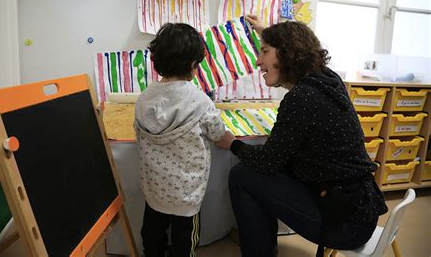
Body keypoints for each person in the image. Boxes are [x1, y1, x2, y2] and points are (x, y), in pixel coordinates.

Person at [216, 16, 388, 257]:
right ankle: (257, 240)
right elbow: (303, 51)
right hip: (358, 207)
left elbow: (266, 162)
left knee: (242, 175)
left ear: (286, 54)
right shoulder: (328, 80)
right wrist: (269, 34)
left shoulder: (301, 98)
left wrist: (232, 144)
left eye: (264, 51)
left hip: (344, 222)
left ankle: (258, 249)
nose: (257, 61)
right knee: (271, 168)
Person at [134, 22, 232, 257]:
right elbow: (220, 136)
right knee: (184, 243)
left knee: (152, 236)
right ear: (193, 65)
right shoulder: (200, 102)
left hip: (154, 190)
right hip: (185, 197)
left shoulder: (144, 98)